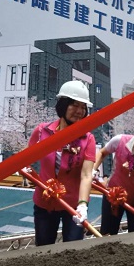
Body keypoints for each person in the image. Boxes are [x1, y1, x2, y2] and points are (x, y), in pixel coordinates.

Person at [27, 80, 95, 245]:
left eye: (83, 107)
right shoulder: (42, 131)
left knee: (73, 248)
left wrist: (82, 205)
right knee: (43, 248)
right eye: (74, 105)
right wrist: (27, 172)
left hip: (73, 205)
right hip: (45, 202)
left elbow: (86, 175)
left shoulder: (88, 139)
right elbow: (27, 158)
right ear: (63, 105)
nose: (79, 111)